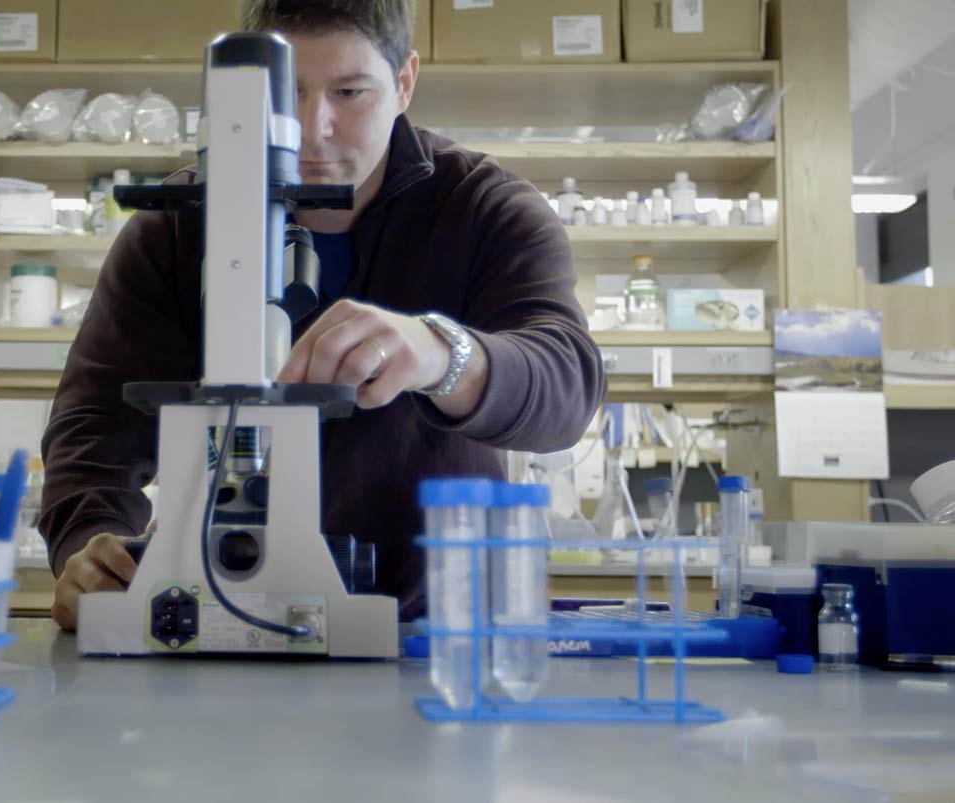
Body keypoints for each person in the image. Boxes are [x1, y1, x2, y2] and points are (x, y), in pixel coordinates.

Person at [40, 0, 605, 630]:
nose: (315, 128)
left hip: (441, 631)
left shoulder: (484, 209)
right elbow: (94, 424)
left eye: (350, 92)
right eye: (289, 95)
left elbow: (567, 384)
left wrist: (442, 354)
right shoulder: (175, 226)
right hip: (229, 622)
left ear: (404, 82)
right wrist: (91, 545)